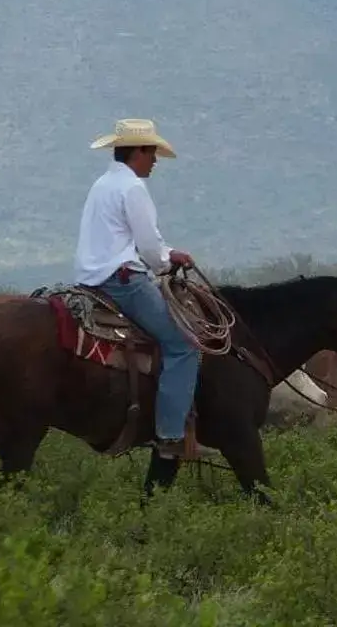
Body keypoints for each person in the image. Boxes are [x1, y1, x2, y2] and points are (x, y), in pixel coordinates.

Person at [75, 117, 199, 493]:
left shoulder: (103, 184)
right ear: (138, 152)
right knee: (184, 346)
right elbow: (149, 248)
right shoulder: (132, 188)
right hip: (123, 280)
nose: (156, 161)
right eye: (152, 153)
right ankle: (170, 434)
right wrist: (169, 259)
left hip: (91, 277)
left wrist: (161, 255)